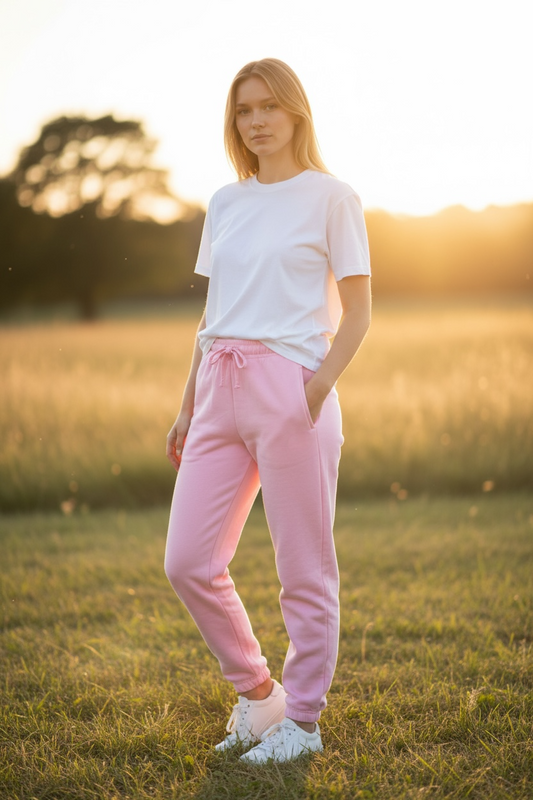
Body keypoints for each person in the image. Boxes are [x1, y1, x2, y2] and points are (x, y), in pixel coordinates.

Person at [165, 57, 371, 764]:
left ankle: (303, 723)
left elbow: (360, 311)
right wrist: (187, 404)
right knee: (187, 559)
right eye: (242, 110)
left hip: (291, 389)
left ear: (295, 113)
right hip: (216, 388)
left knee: (303, 568)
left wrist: (312, 390)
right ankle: (260, 697)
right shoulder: (226, 202)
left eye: (267, 108)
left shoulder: (331, 197)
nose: (254, 122)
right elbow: (212, 312)